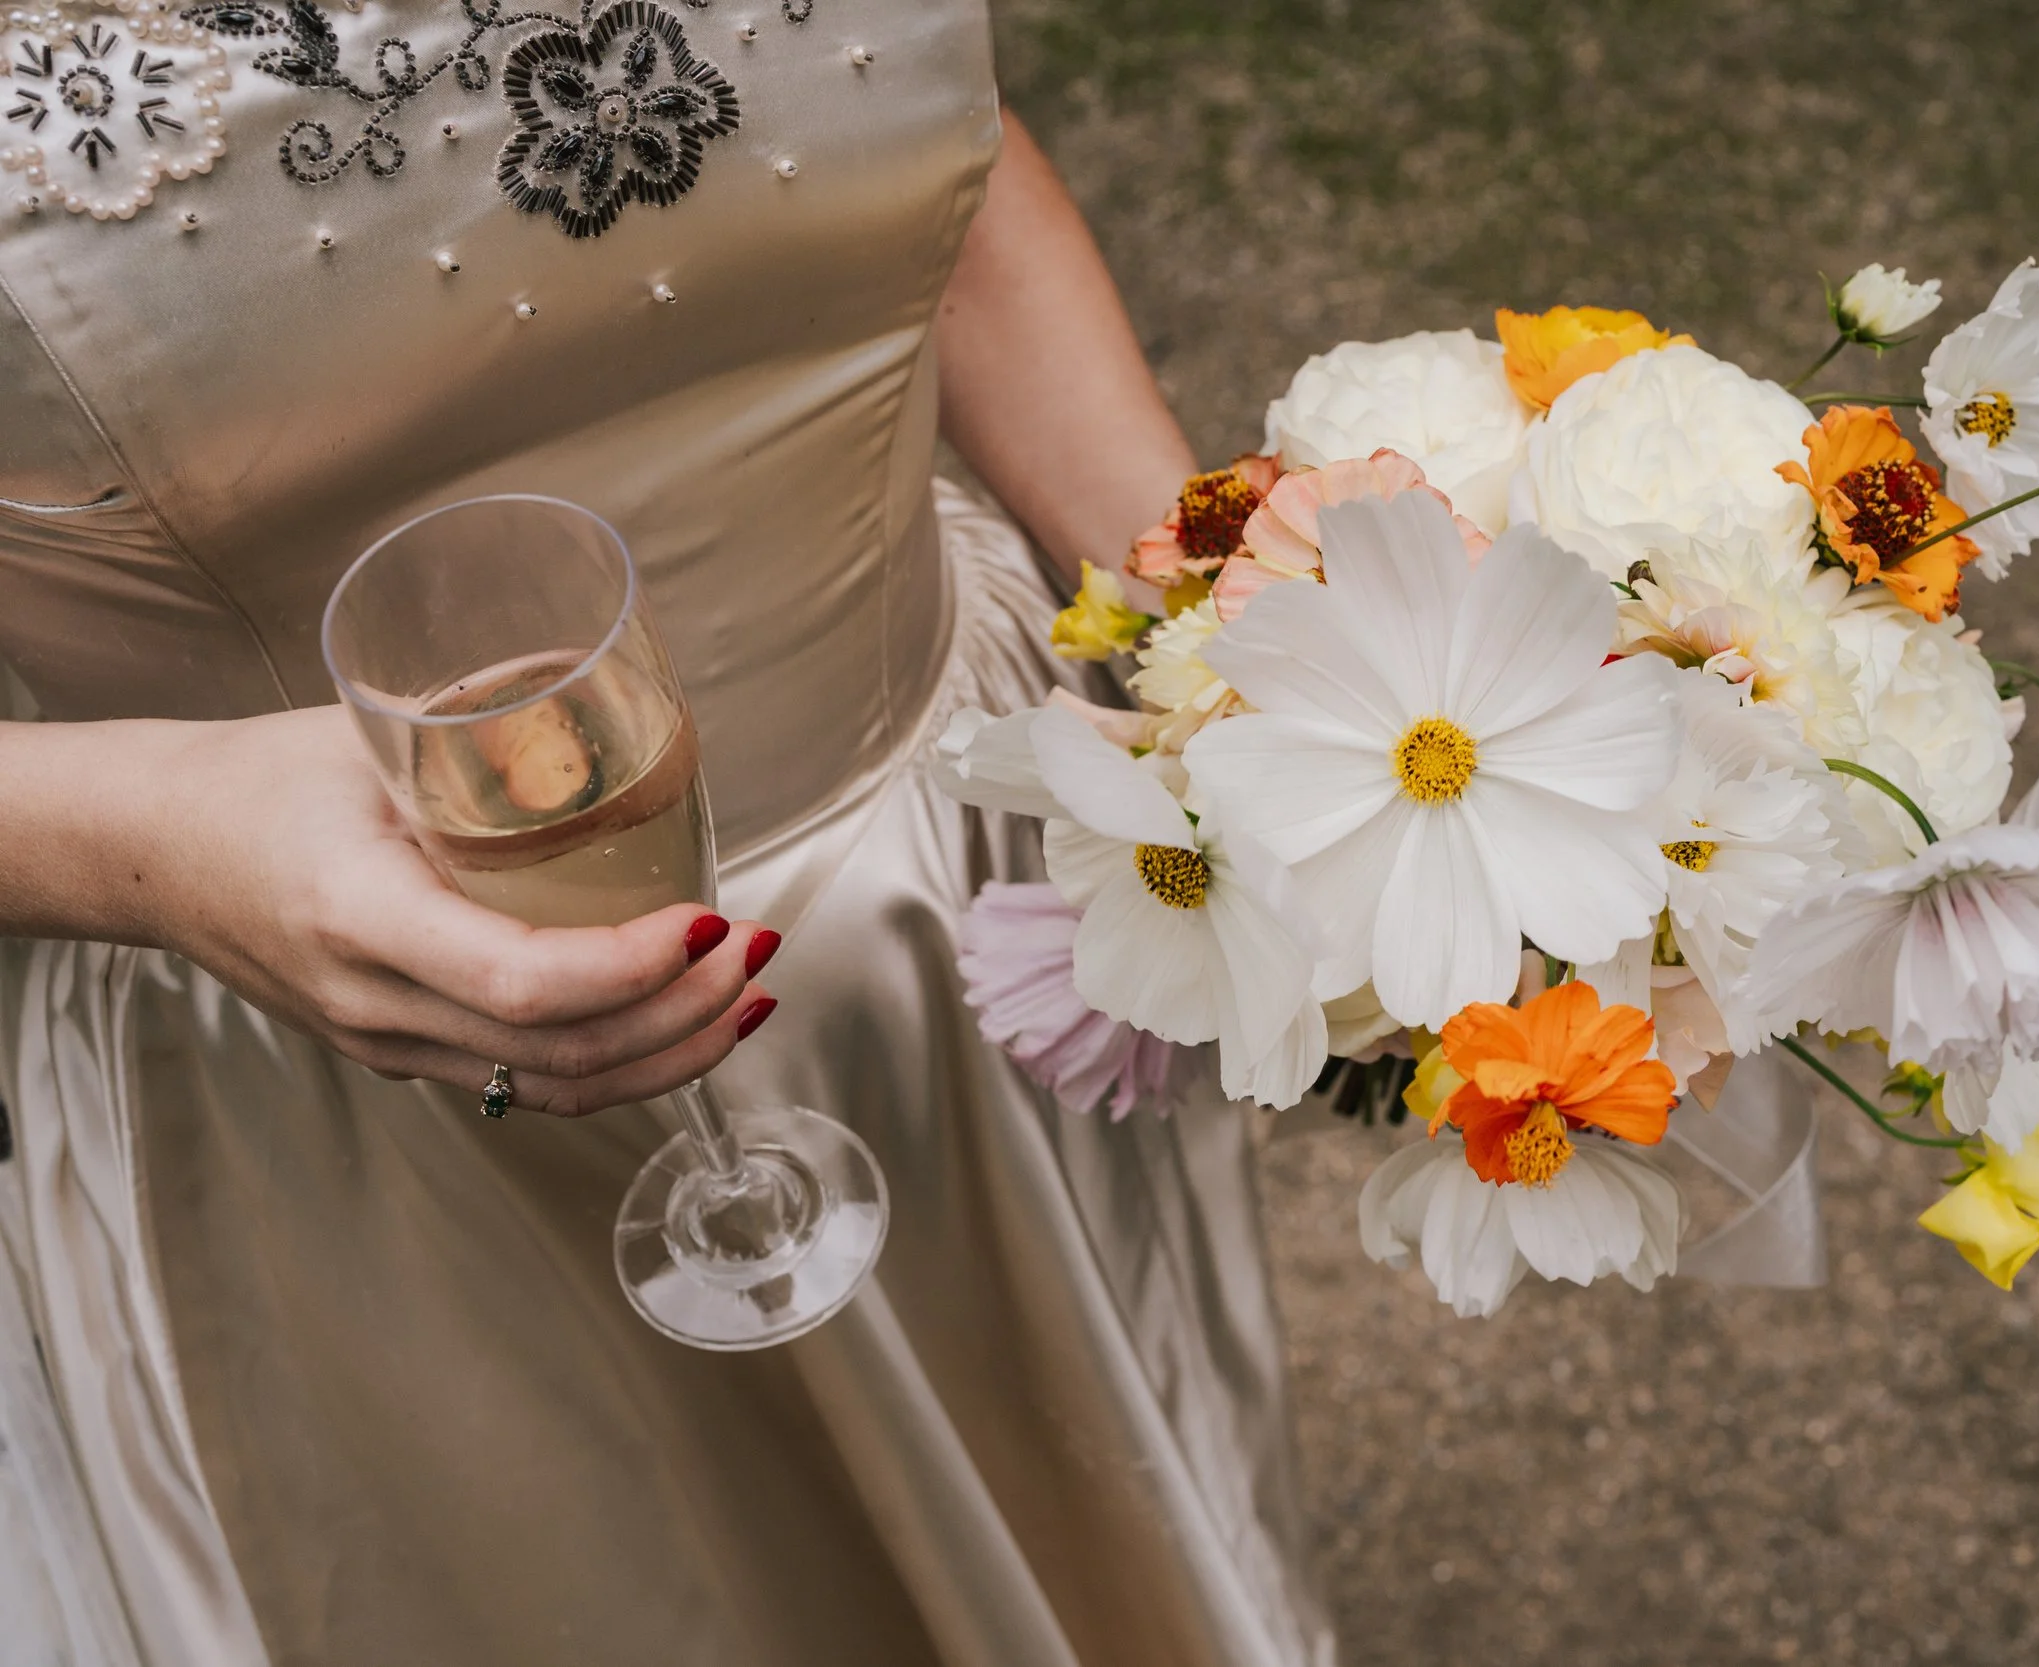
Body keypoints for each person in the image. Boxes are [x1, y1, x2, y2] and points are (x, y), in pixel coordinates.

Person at [0, 0, 1330, 1661]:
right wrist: (140, 834)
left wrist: (1215, 603)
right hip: (365, 1100)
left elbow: (912, 149)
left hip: (979, 929)